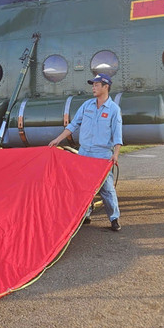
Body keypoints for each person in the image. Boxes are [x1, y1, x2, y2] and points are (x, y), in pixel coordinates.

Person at [48, 73, 123, 231]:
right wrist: (58, 139)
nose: (93, 87)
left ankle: (114, 218)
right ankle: (86, 214)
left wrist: (115, 154)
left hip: (102, 154)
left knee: (106, 188)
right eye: (93, 85)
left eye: (96, 85)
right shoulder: (87, 105)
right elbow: (73, 125)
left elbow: (117, 135)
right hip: (84, 153)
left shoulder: (113, 110)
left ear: (105, 87)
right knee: (83, 186)